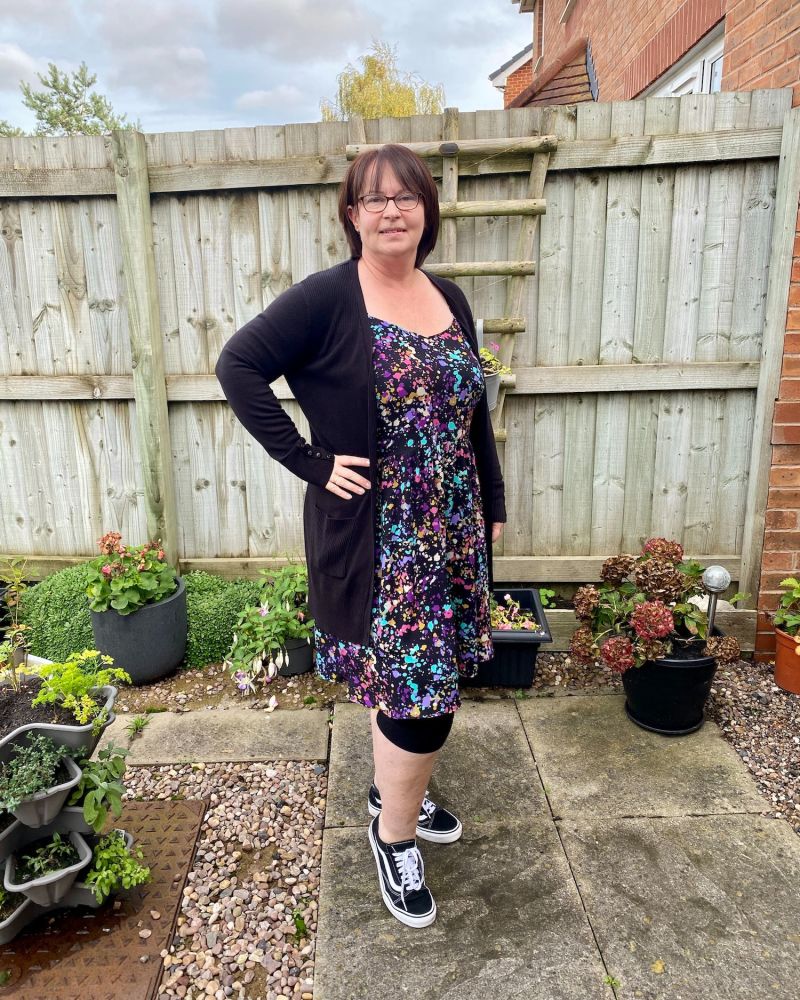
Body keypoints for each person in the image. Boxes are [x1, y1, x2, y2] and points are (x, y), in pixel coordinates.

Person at [215, 143, 506, 928]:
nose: (390, 211)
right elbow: (238, 364)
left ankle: (392, 788)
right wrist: (308, 461)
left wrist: (494, 498)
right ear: (352, 215)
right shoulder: (327, 298)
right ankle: (392, 834)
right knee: (424, 701)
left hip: (448, 527)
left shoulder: (448, 298)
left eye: (405, 197)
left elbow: (472, 410)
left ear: (426, 211)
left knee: (418, 684)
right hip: (381, 537)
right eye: (372, 199)